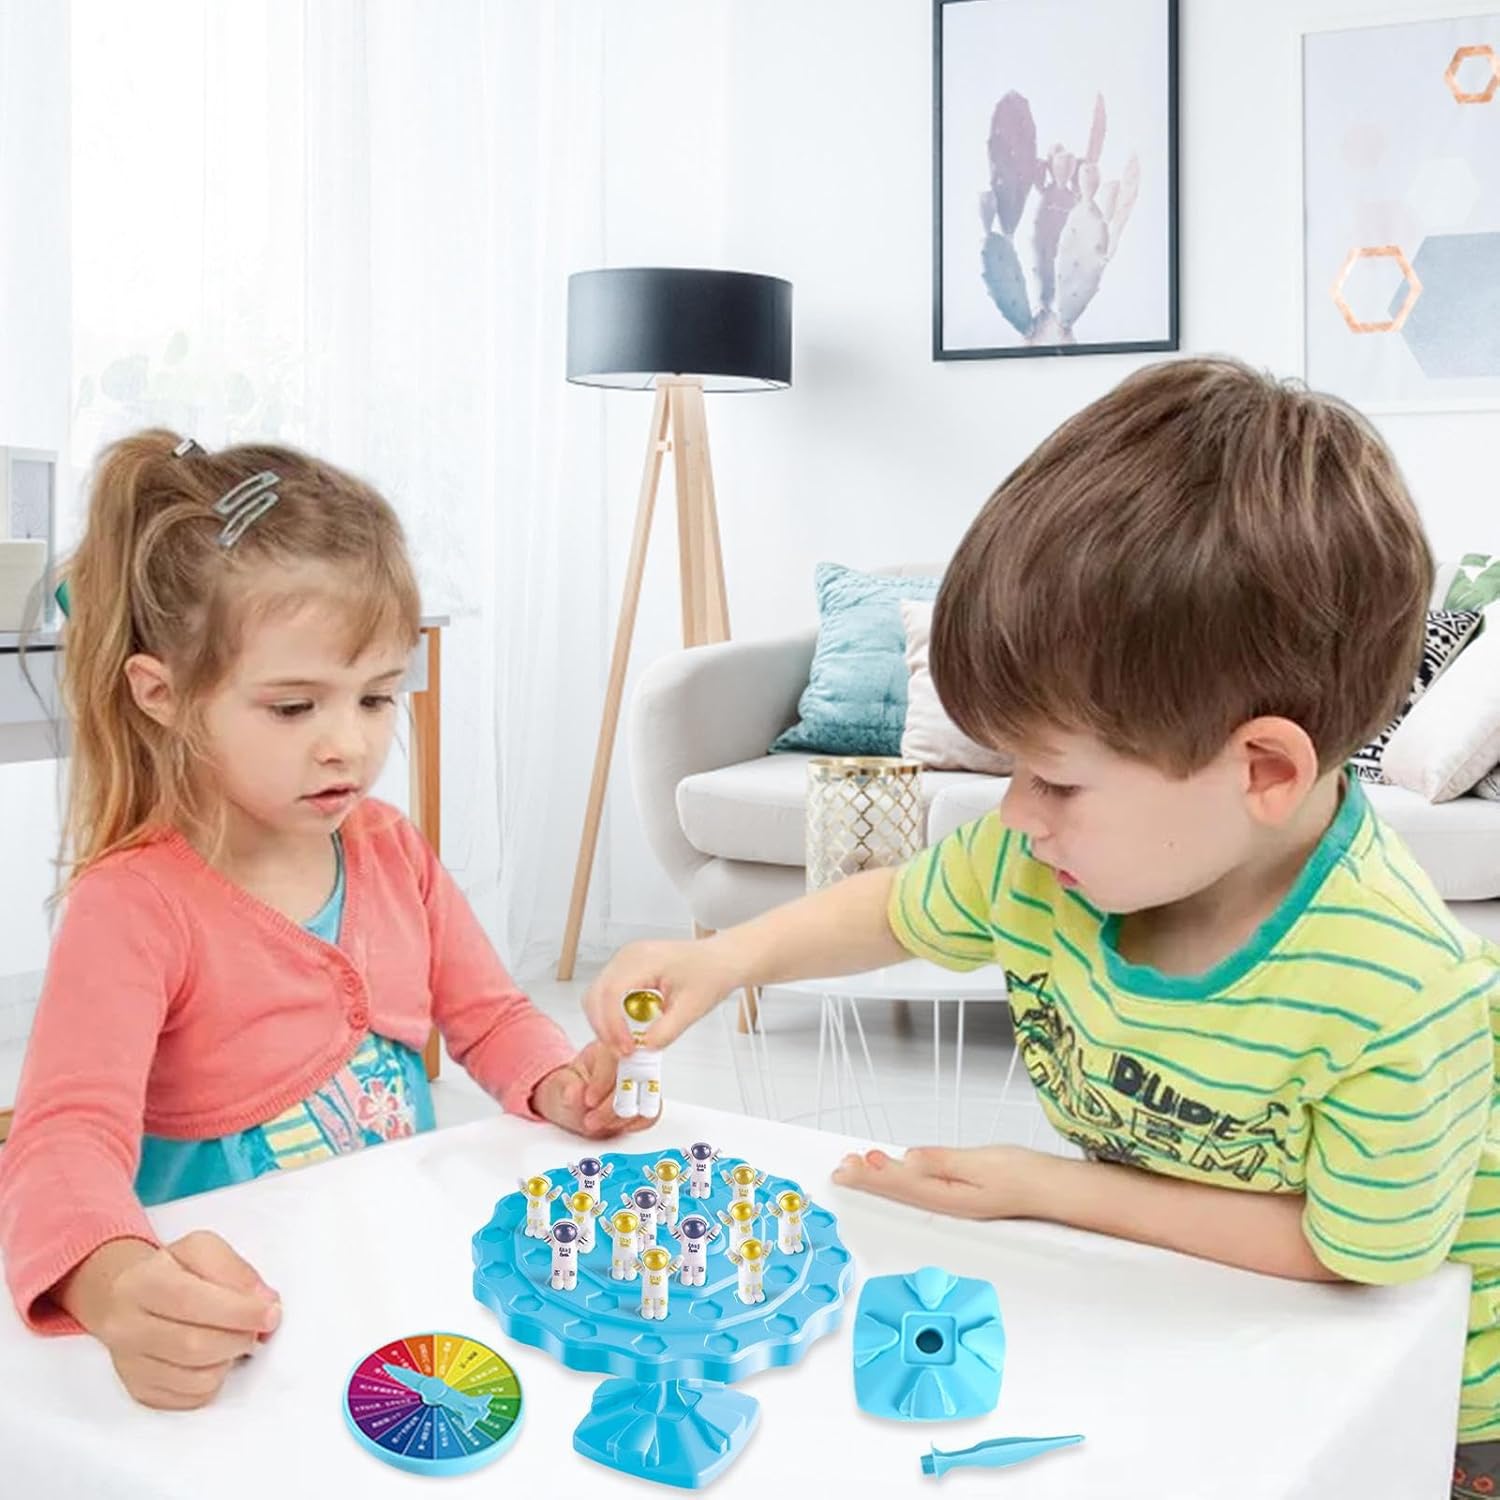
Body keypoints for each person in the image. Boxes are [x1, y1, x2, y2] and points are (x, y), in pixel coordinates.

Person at [582, 359, 1500, 1498]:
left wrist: (1049, 1187)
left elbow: (1358, 1257)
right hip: (1192, 1302)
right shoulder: (1044, 864)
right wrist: (726, 957)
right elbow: (899, 906)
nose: (1014, 812)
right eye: (1007, 766)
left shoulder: (1398, 990)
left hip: (1424, 1396)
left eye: (1055, 778)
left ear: (1263, 769)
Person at [0, 430, 636, 1411]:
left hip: (387, 1288)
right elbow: (64, 1139)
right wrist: (116, 1283)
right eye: (295, 708)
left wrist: (558, 1084)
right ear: (163, 695)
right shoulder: (133, 905)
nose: (350, 743)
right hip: (241, 1343)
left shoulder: (389, 849)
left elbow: (492, 1017)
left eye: (378, 697)